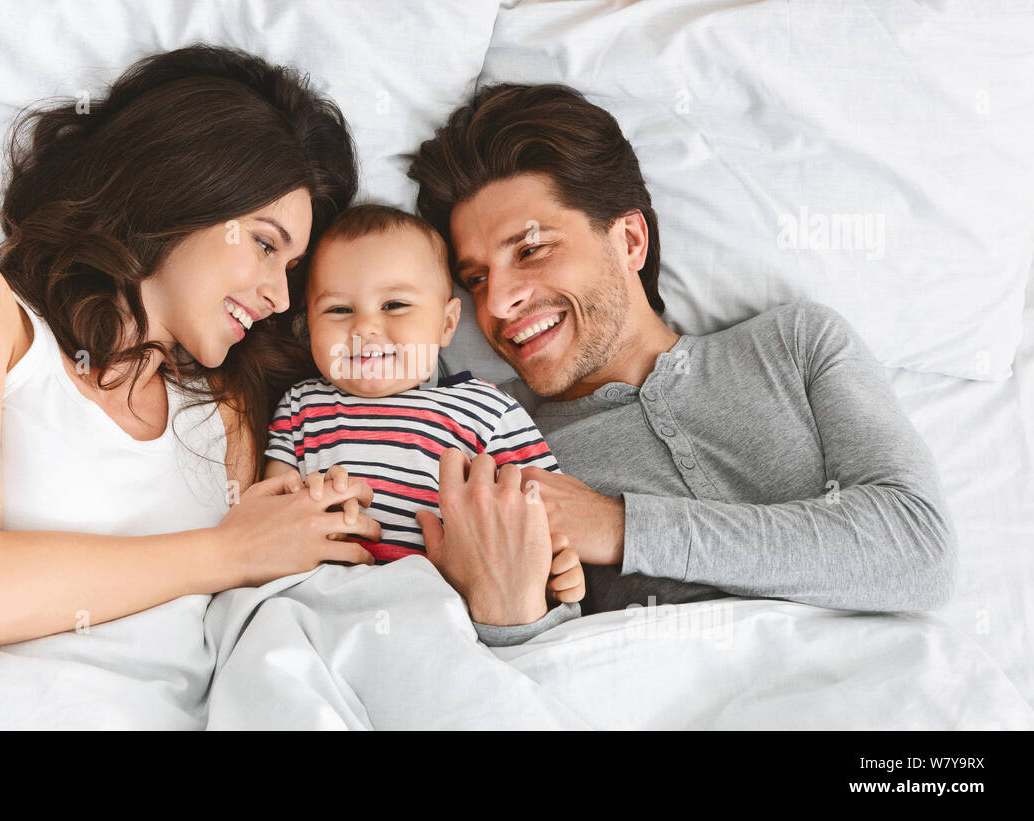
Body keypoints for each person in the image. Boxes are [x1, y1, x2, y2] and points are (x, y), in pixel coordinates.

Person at [406, 83, 957, 638]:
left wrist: (624, 528)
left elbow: (920, 549)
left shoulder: (797, 345)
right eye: (475, 278)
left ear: (629, 241)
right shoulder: (487, 439)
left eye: (530, 251)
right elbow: (512, 677)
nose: (496, 303)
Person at [0, 45, 381, 649]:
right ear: (181, 191)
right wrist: (229, 550)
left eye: (293, 268)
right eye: (265, 245)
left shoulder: (228, 409)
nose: (280, 296)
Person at [261, 204, 585, 608]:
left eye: (394, 305)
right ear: (309, 326)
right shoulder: (301, 406)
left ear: (447, 324)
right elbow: (267, 517)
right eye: (339, 310)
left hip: (444, 606)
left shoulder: (487, 410)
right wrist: (304, 507)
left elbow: (540, 513)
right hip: (319, 601)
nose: (365, 328)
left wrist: (554, 567)